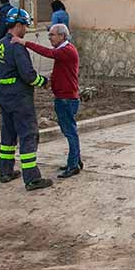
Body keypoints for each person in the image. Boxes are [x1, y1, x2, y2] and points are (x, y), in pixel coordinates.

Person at [0, 7, 52, 191]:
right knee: (28, 133)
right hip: (19, 95)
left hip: (3, 92)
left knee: (8, 133)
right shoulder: (17, 47)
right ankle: (32, 177)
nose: (26, 29)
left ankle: (5, 171)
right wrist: (44, 82)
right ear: (17, 25)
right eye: (25, 26)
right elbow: (28, 75)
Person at [20, 23, 81, 178]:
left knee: (70, 132)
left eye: (52, 35)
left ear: (62, 36)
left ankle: (73, 165)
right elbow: (59, 71)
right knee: (70, 131)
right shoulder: (64, 51)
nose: (50, 38)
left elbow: (47, 53)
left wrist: (25, 43)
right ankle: (75, 161)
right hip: (65, 97)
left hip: (66, 98)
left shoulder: (66, 51)